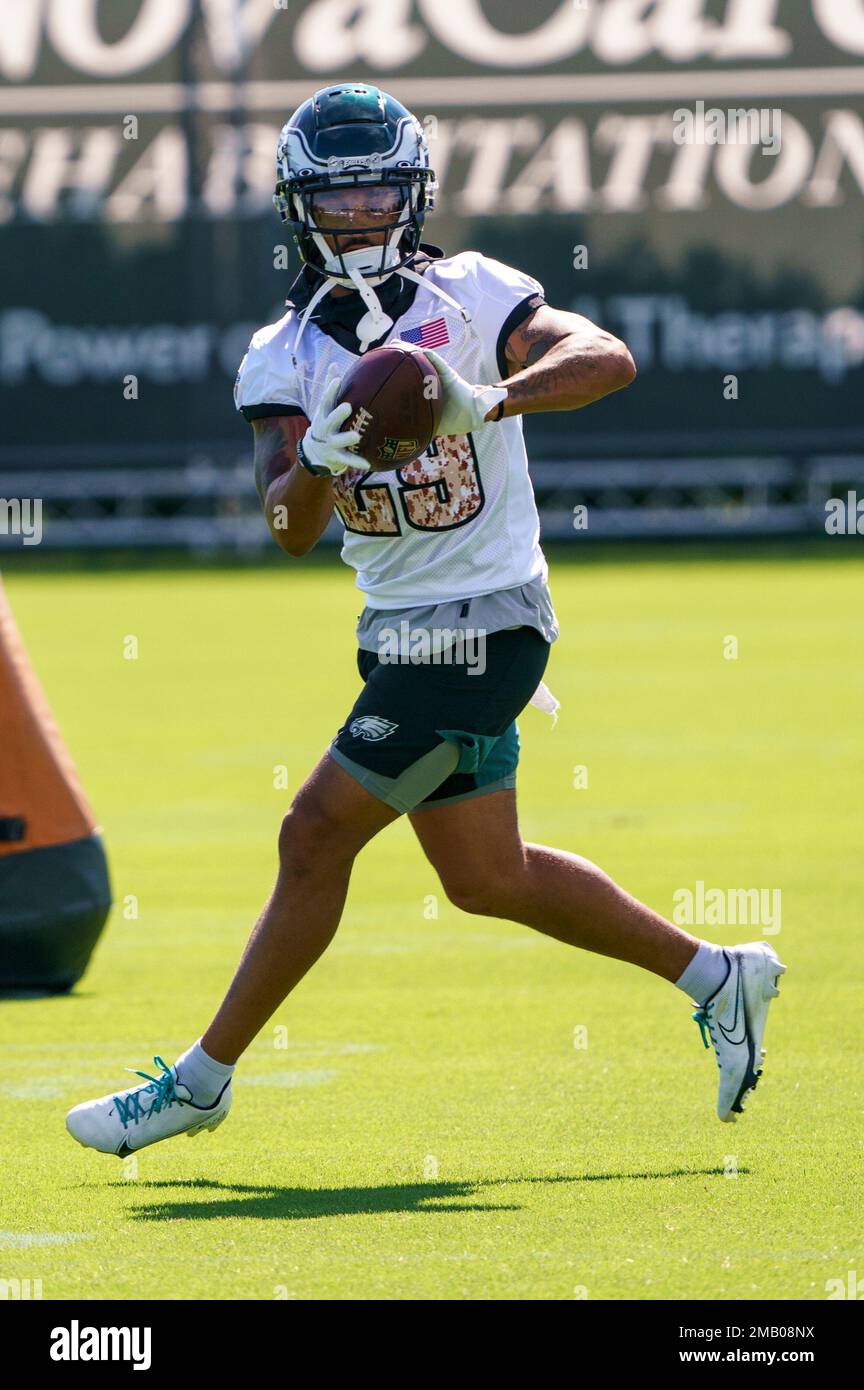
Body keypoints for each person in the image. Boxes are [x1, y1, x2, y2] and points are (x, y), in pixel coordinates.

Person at [66, 84, 784, 1157]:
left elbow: (608, 357)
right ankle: (720, 976)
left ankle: (202, 1080)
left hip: (488, 622)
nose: (358, 208)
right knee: (488, 877)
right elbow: (287, 527)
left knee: (312, 835)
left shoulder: (478, 292)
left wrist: (486, 396)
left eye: (375, 187)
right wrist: (313, 460)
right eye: (336, 191)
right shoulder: (284, 349)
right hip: (398, 626)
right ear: (298, 206)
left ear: (412, 193)